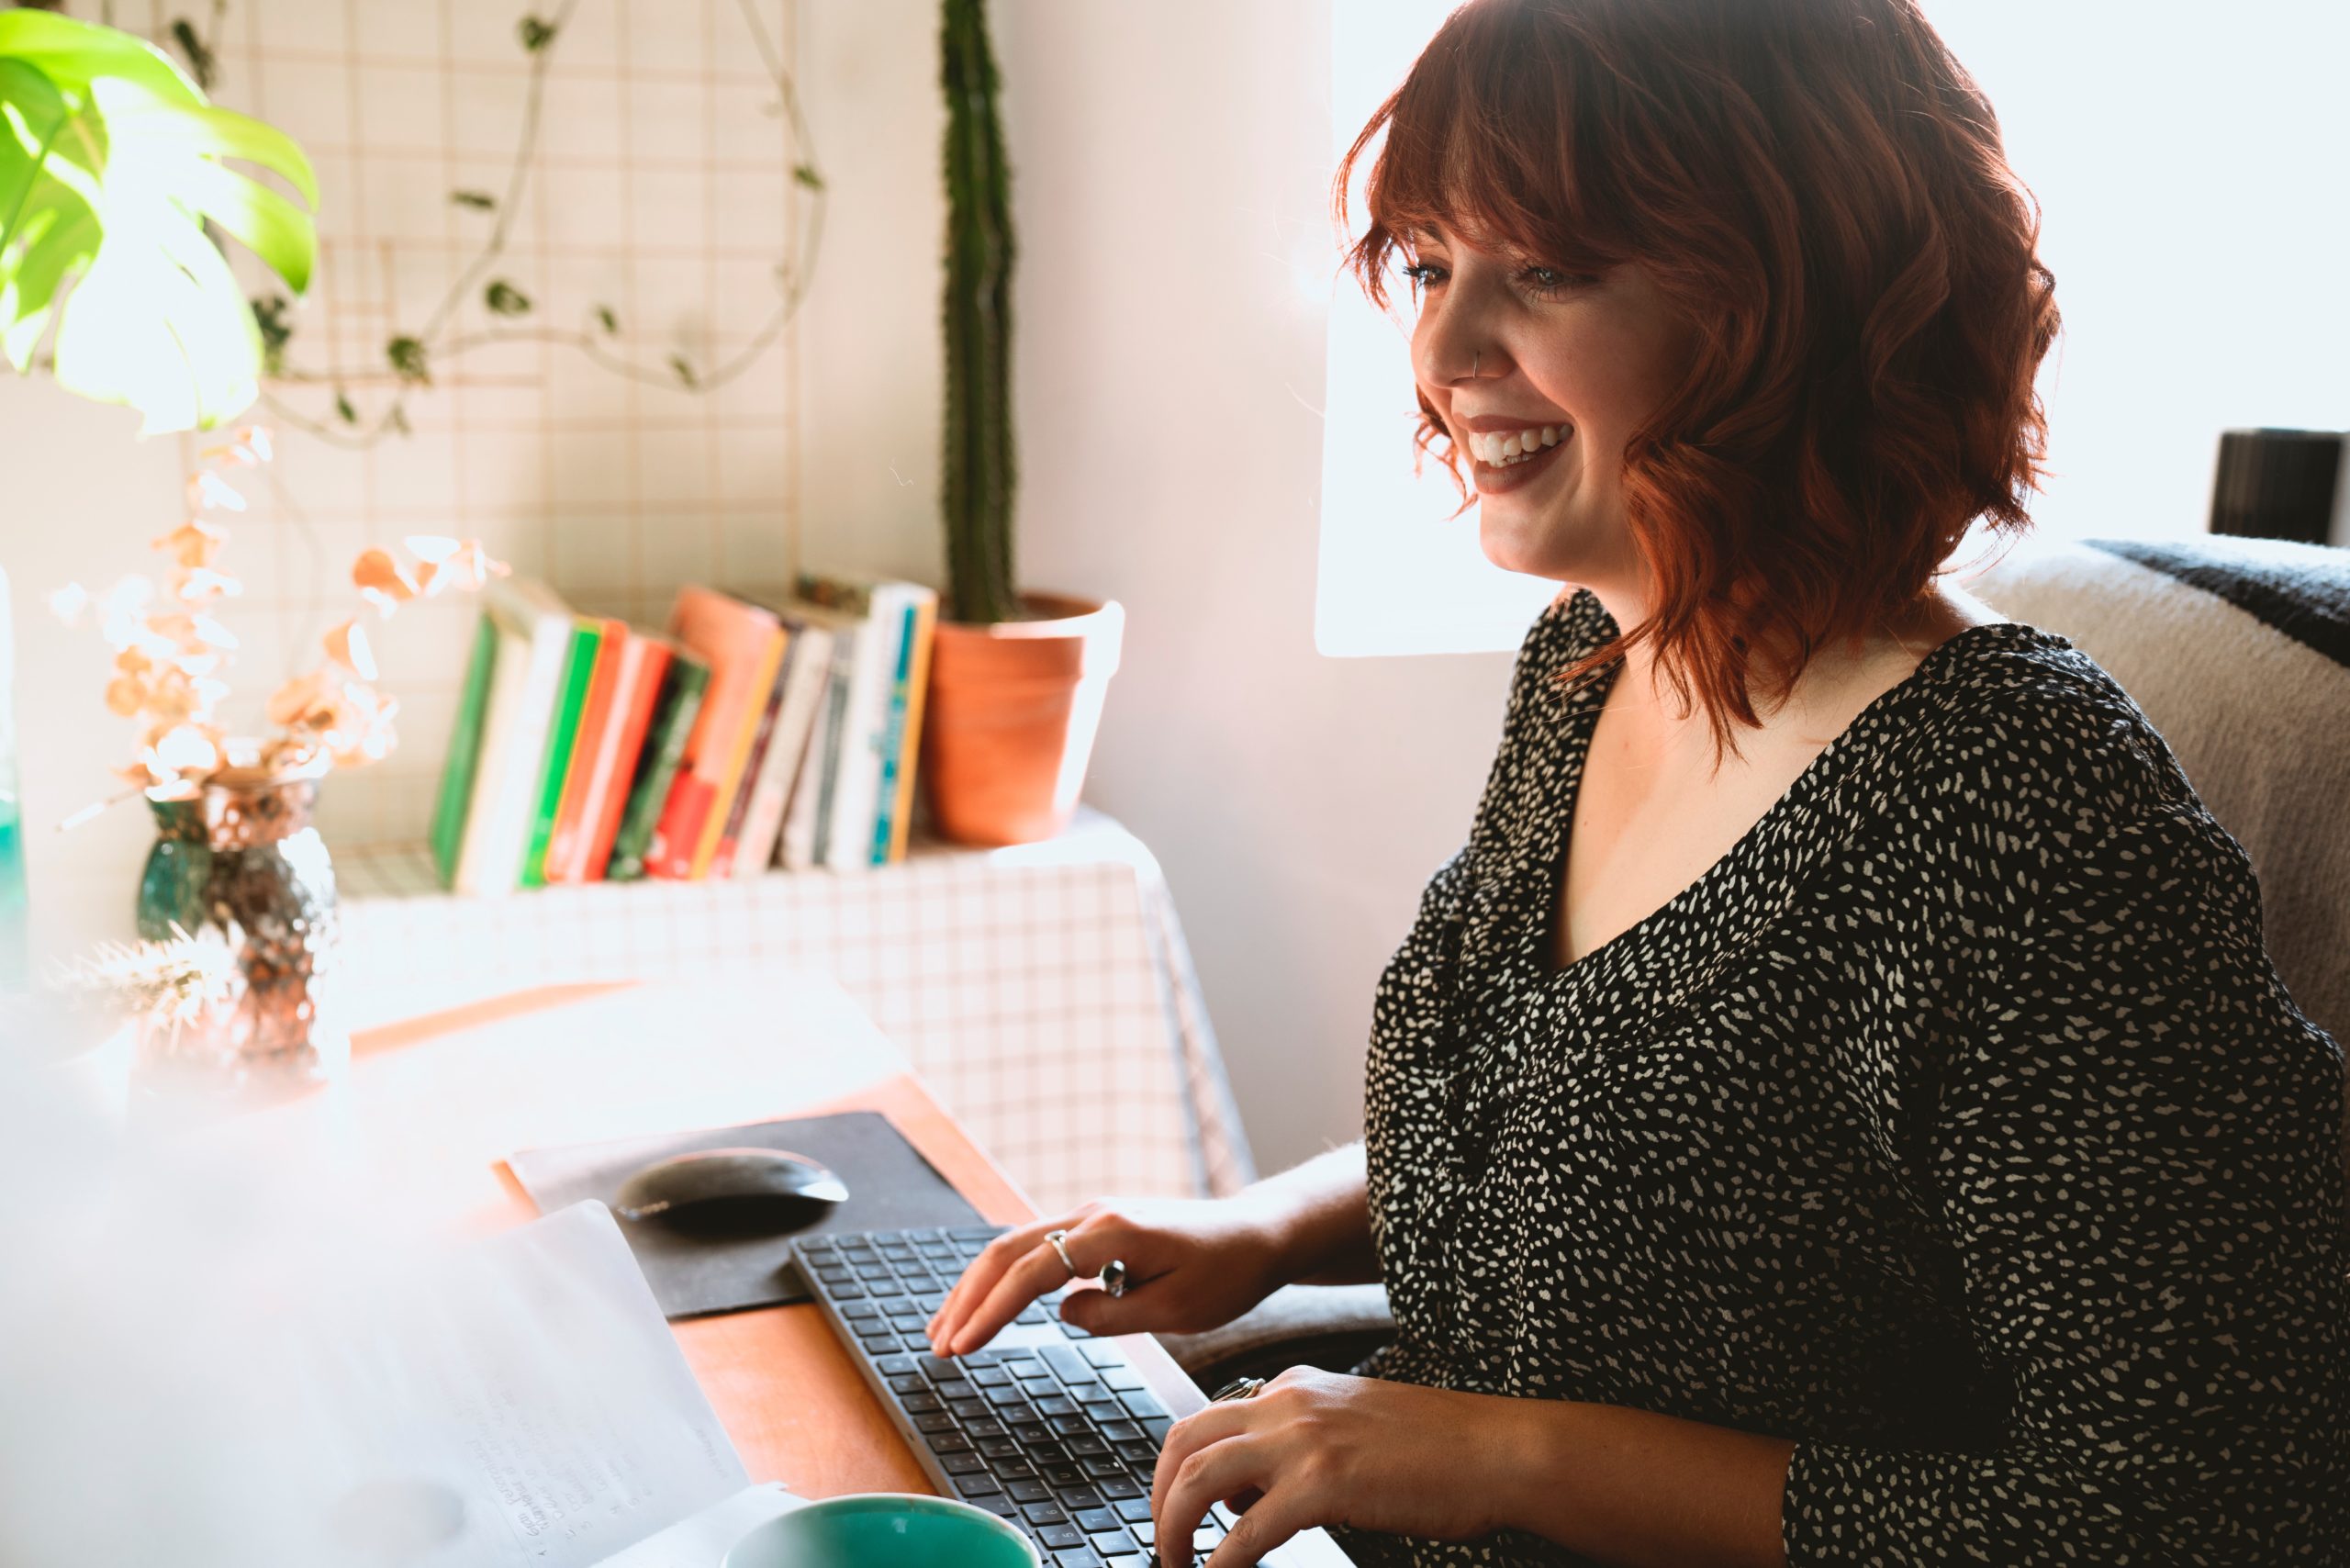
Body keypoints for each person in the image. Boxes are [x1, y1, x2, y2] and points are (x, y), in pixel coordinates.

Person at [924, 0, 2350, 1562]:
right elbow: (1560, 1117)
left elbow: (2197, 1507)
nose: (1447, 350)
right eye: (1427, 265)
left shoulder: (2018, 805)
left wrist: (1517, 1461)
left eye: (1542, 269)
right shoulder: (1590, 661)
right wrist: (1256, 1231)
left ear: (1795, 299)